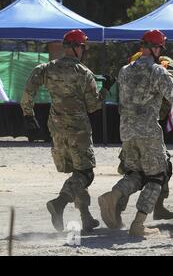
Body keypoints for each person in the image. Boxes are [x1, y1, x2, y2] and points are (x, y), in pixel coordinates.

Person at [98, 30, 173, 237]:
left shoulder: (124, 71)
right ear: (156, 48)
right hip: (148, 131)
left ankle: (115, 194)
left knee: (137, 174)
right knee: (157, 176)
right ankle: (138, 225)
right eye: (160, 48)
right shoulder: (158, 72)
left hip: (126, 131)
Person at [20, 29, 114, 233]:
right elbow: (93, 106)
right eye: (83, 46)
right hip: (78, 128)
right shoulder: (84, 73)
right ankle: (59, 203)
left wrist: (29, 116)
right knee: (85, 173)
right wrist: (106, 88)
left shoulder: (46, 68)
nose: (84, 50)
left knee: (76, 172)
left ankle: (86, 217)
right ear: (77, 47)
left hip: (55, 126)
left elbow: (27, 92)